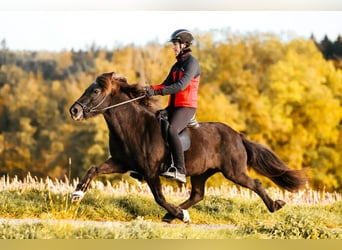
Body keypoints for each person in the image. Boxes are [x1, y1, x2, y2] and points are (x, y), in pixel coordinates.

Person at [145, 29, 201, 183]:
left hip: (186, 107)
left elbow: (180, 86)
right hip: (174, 106)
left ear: (184, 44)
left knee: (172, 129)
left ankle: (180, 170)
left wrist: (158, 92)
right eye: (173, 44)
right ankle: (153, 166)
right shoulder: (177, 65)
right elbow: (165, 84)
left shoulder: (192, 64)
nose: (173, 47)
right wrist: (148, 89)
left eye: (175, 44)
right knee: (155, 121)